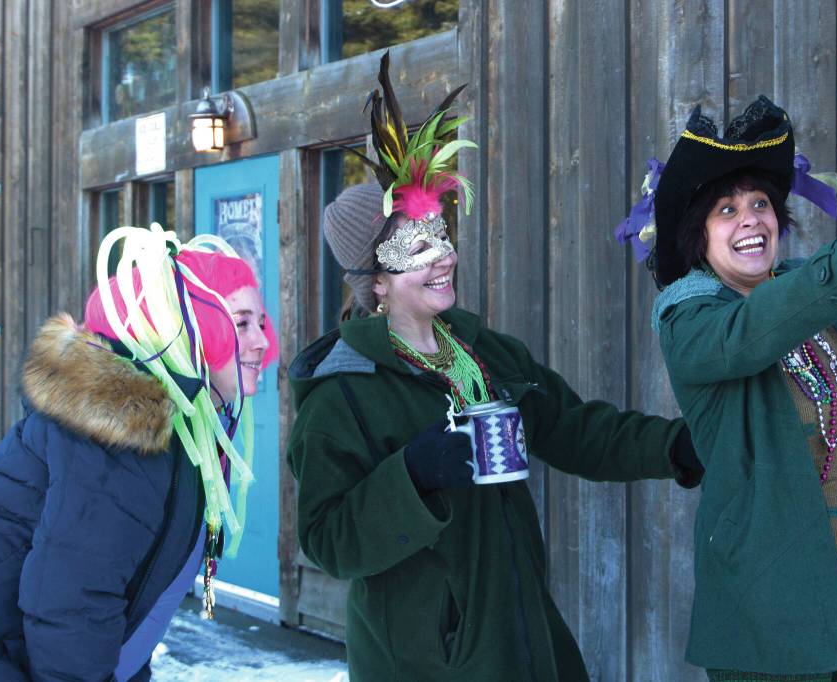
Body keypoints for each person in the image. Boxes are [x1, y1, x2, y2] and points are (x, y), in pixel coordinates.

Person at [287, 53, 703, 682]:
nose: (443, 257)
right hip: (433, 662)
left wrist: (678, 446)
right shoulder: (341, 394)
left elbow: (573, 428)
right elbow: (326, 540)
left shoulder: (485, 354)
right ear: (375, 282)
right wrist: (414, 474)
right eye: (416, 249)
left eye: (443, 236)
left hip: (523, 637)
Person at [624, 97, 837, 680]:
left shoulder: (807, 284)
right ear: (698, 236)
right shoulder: (688, 318)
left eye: (760, 203)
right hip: (772, 615)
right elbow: (750, 333)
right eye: (726, 210)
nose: (750, 220)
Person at [0, 224, 278, 681]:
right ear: (187, 327)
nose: (261, 341)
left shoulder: (179, 429)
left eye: (261, 322)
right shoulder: (121, 437)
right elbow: (73, 604)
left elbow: (128, 596)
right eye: (241, 323)